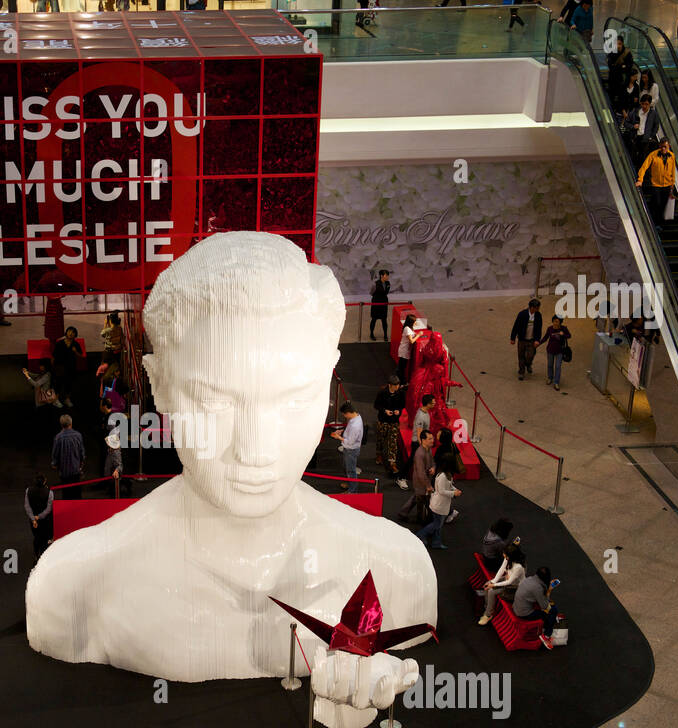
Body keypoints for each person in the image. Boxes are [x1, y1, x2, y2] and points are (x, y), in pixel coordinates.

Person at [25, 232, 439, 682]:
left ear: (328, 380)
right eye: (216, 403)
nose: (256, 450)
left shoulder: (401, 571)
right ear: (158, 384)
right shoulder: (72, 586)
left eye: (295, 400)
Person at [417, 453, 461, 550]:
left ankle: (436, 542)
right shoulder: (442, 476)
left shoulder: (447, 474)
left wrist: (455, 489)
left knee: (439, 526)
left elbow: (449, 485)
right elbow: (441, 491)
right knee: (437, 524)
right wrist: (454, 493)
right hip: (439, 506)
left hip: (442, 505)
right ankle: (420, 535)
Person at [372, 376, 407, 487]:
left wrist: (398, 411)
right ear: (390, 385)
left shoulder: (401, 393)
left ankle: (392, 462)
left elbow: (402, 405)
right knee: (381, 439)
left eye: (398, 385)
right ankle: (379, 455)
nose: (397, 387)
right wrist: (385, 411)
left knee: (393, 441)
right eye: (395, 385)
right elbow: (376, 405)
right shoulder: (382, 393)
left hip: (394, 421)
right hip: (383, 420)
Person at [513, 565, 560, 648]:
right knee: (553, 610)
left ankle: (548, 623)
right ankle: (546, 635)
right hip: (524, 613)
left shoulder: (529, 579)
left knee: (548, 610)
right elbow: (544, 606)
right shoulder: (538, 588)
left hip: (516, 607)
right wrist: (549, 590)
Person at [479, 545, 526, 625]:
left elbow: (509, 582)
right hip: (508, 580)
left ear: (511, 556)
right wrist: (493, 582)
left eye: (505, 555)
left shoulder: (519, 567)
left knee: (491, 591)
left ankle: (488, 614)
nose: (503, 555)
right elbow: (501, 569)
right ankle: (488, 607)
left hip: (515, 587)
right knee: (487, 584)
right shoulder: (508, 558)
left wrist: (493, 585)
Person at [398, 429, 435, 525]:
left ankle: (403, 513)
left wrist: (433, 468)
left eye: (432, 438)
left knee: (417, 497)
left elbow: (432, 462)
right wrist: (427, 485)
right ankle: (421, 520)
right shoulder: (419, 453)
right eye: (430, 439)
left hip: (424, 481)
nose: (432, 440)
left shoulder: (428, 449)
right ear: (423, 440)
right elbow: (420, 473)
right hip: (420, 482)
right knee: (421, 501)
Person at [637, 138, 675, 225]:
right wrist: (640, 180)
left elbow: (672, 171)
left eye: (665, 147)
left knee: (663, 205)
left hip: (667, 185)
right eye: (661, 147)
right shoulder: (653, 155)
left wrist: (672, 184)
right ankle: (654, 222)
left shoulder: (672, 156)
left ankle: (660, 224)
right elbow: (644, 167)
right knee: (657, 204)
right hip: (656, 185)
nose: (663, 149)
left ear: (669, 146)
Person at [51, 414, 86, 501]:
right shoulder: (78, 435)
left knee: (66, 495)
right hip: (76, 470)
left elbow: (55, 454)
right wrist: (81, 463)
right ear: (71, 423)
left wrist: (54, 464)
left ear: (61, 424)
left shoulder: (58, 437)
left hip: (64, 472)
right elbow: (82, 452)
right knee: (77, 494)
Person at [332, 401, 364, 493]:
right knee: (347, 467)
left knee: (351, 471)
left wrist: (338, 437)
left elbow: (350, 442)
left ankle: (352, 491)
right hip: (350, 449)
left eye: (344, 414)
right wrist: (343, 431)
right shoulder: (356, 417)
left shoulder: (355, 426)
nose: (344, 416)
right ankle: (350, 484)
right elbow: (350, 433)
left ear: (349, 413)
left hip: (351, 450)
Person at [510, 299, 543, 380]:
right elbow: (516, 326)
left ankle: (528, 364)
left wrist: (537, 340)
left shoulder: (538, 315)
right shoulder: (522, 314)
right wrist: (512, 338)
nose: (538, 309)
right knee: (521, 356)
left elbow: (539, 328)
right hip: (522, 339)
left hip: (532, 340)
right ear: (532, 307)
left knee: (530, 355)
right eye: (537, 307)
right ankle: (521, 372)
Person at [52, 326, 85, 408]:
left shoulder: (76, 344)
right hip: (60, 366)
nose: (71, 333)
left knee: (69, 384)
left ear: (75, 335)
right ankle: (56, 400)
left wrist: (75, 351)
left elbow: (81, 355)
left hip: (71, 367)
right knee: (58, 384)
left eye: (73, 332)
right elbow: (53, 356)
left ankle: (67, 399)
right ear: (66, 332)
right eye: (69, 331)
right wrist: (53, 367)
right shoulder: (59, 343)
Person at [539, 314, 572, 390]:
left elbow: (569, 336)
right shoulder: (550, 329)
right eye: (554, 321)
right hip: (550, 350)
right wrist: (539, 343)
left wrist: (563, 334)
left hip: (560, 351)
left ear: (560, 322)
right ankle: (550, 378)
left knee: (557, 367)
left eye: (557, 322)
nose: (555, 323)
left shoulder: (563, 329)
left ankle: (556, 382)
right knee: (550, 365)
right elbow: (545, 338)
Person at [25, 473, 54, 560]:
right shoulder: (49, 493)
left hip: (33, 520)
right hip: (46, 520)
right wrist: (39, 516)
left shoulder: (28, 491)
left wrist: (33, 519)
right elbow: (49, 508)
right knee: (45, 538)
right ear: (44, 482)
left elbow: (27, 506)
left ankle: (36, 554)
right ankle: (43, 557)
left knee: (37, 536)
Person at [630, 95, 662, 164]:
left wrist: (651, 136)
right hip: (636, 137)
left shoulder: (653, 114)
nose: (644, 106)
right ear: (640, 103)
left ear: (650, 104)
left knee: (642, 159)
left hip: (645, 139)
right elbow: (627, 122)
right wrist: (633, 126)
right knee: (633, 157)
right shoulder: (636, 111)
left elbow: (656, 125)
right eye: (643, 104)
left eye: (646, 104)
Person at [607, 36, 636, 109]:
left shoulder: (627, 53)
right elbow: (610, 65)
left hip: (623, 80)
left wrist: (621, 68)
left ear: (622, 44)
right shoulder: (612, 53)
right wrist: (622, 67)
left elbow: (629, 66)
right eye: (616, 44)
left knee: (622, 96)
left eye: (619, 44)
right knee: (612, 96)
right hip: (613, 79)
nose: (618, 46)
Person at [396, 315, 421, 382]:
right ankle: (401, 381)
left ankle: (399, 380)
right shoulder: (407, 329)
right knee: (402, 367)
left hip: (405, 350)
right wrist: (419, 335)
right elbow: (412, 341)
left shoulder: (409, 328)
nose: (416, 322)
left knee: (402, 366)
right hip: (404, 350)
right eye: (415, 321)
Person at [369, 269, 390, 341]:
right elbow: (371, 293)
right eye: (386, 275)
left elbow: (386, 292)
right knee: (374, 319)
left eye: (388, 275)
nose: (387, 277)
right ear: (381, 276)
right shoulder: (375, 284)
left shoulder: (388, 283)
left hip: (384, 304)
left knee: (384, 320)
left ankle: (385, 335)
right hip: (376, 304)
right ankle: (371, 334)